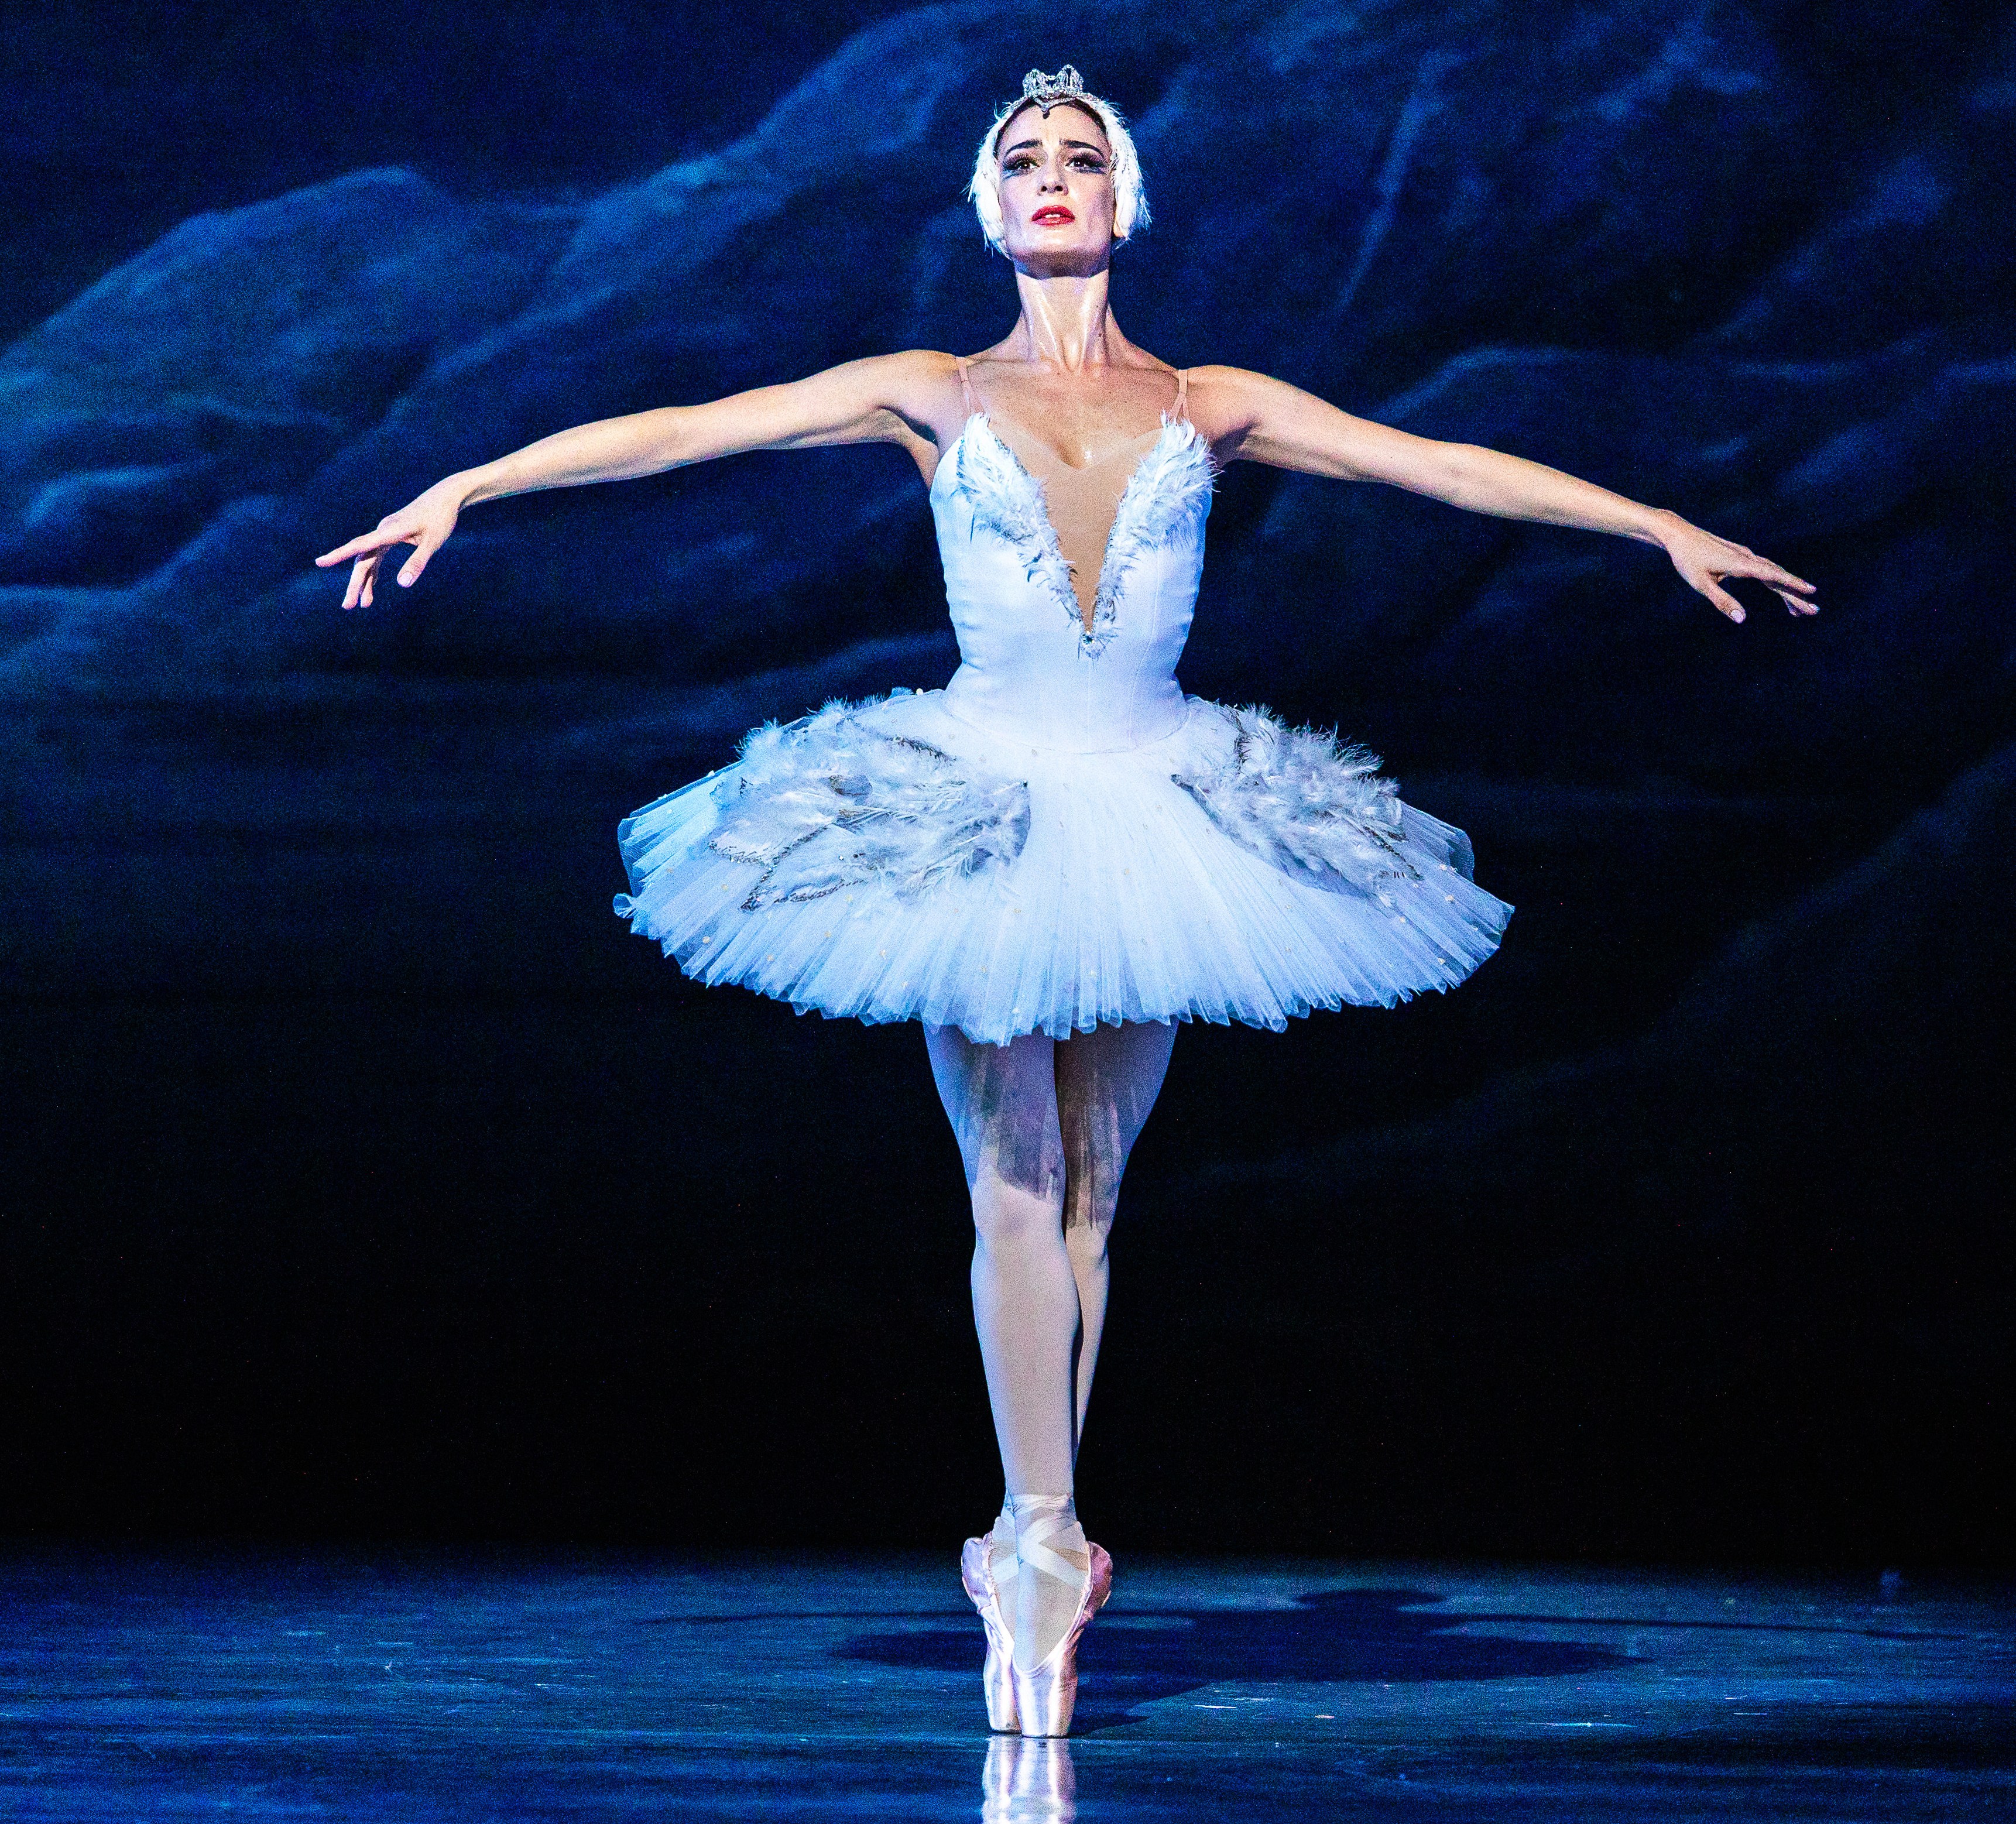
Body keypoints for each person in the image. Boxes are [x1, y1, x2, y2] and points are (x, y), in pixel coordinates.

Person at [318, 65, 1816, 1736]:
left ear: (1123, 203)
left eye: (1080, 158)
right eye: (1022, 157)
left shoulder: (1213, 400)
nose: (1050, 173)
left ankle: (1041, 1536)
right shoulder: (928, 392)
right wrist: (470, 484)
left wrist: (1652, 522)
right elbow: (686, 427)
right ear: (988, 206)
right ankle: (1036, 1546)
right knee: (1016, 1169)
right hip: (977, 808)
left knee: (1093, 1195)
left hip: (1163, 813)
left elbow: (1439, 463)